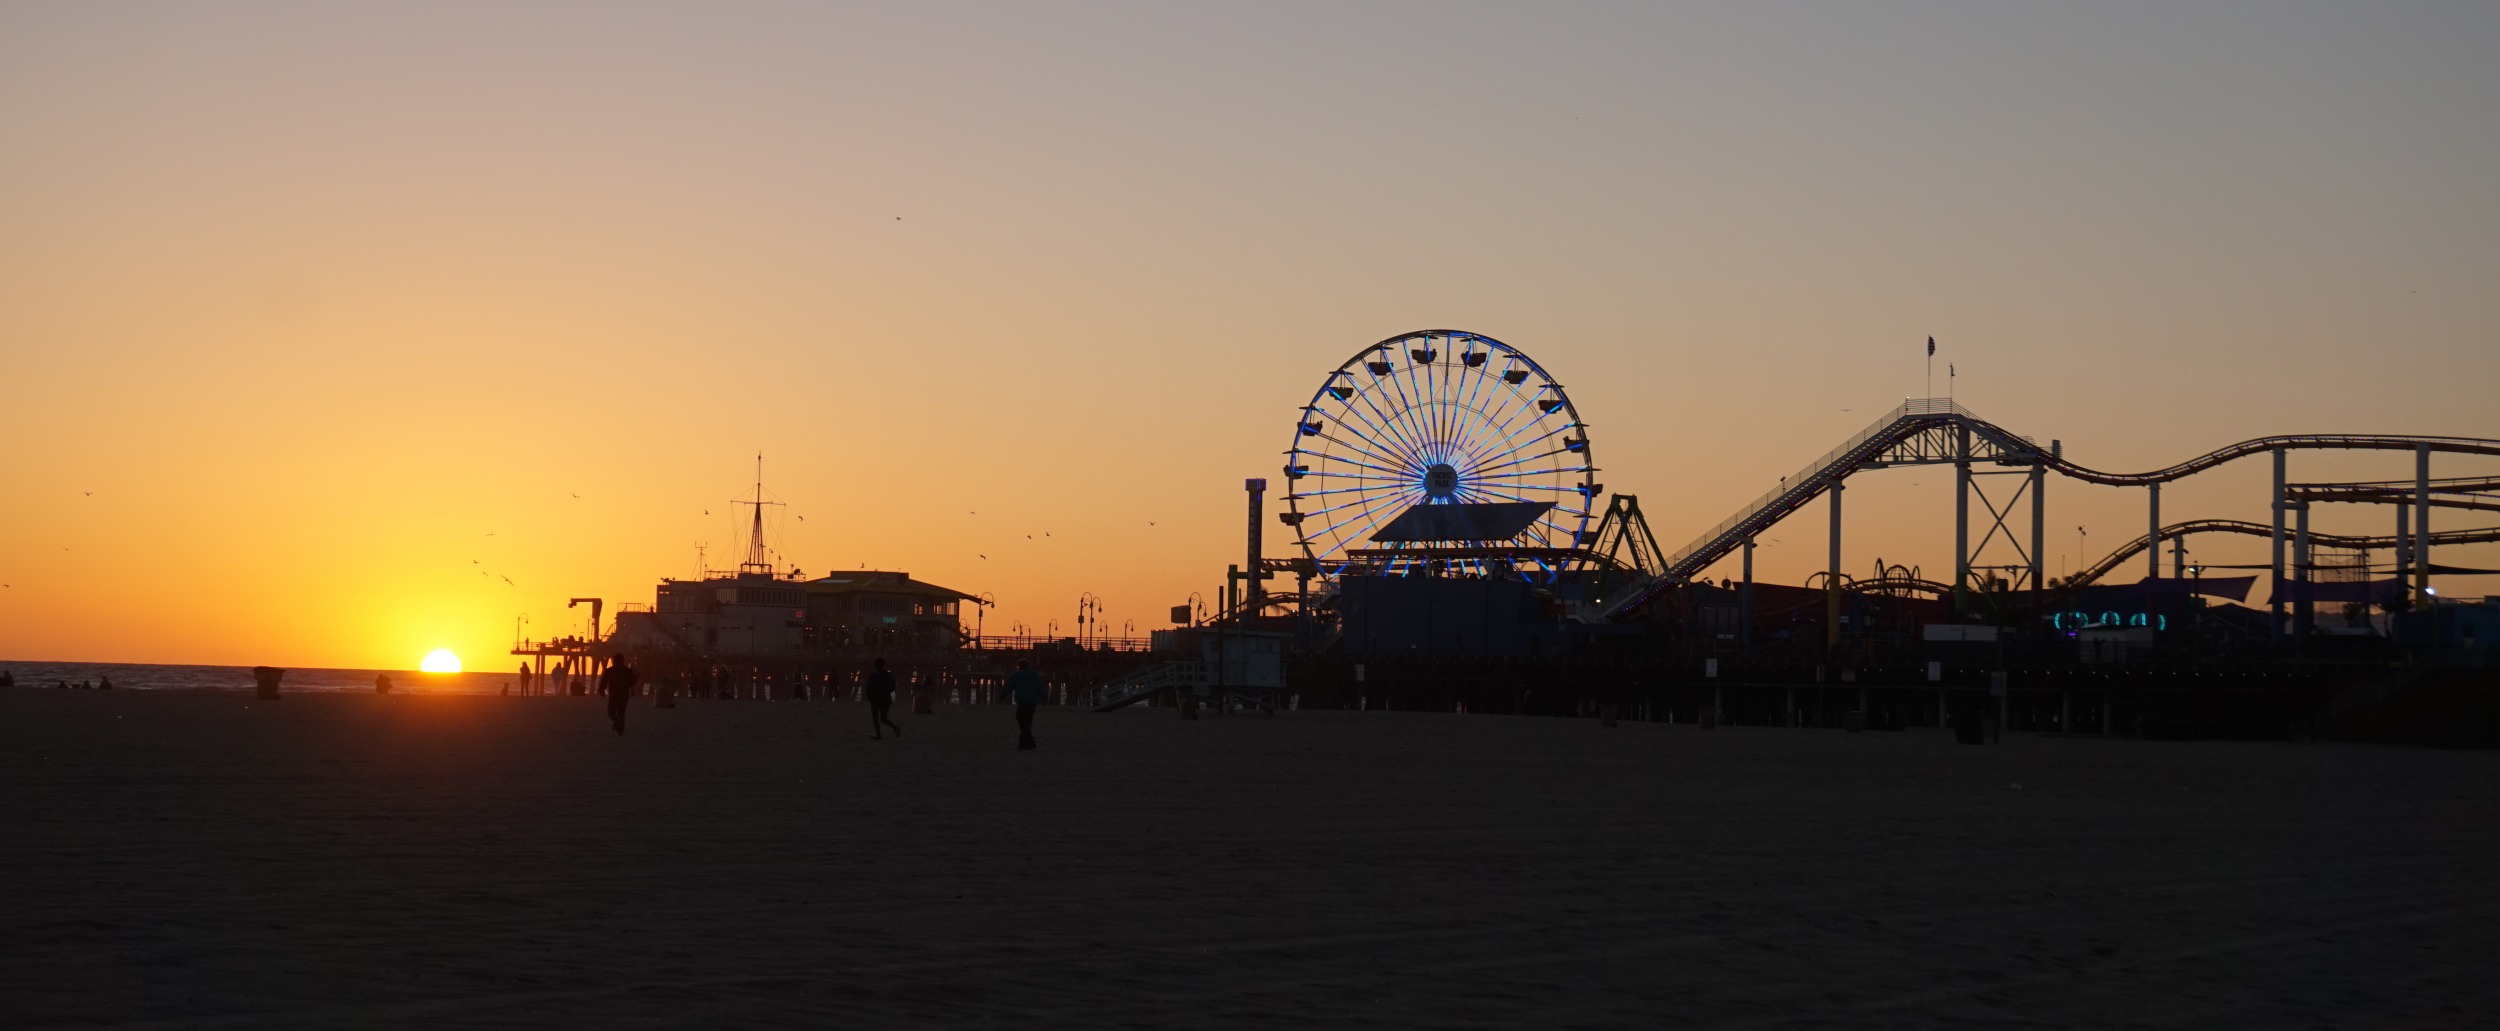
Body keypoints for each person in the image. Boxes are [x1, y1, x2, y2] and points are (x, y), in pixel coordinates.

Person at [1005, 660, 1045, 750]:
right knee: (1027, 722)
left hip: (1021, 702)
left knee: (1022, 721)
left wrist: (1002, 695)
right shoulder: (1034, 676)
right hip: (1032, 702)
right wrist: (1044, 697)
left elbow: (1008, 686)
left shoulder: (1016, 676)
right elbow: (1041, 687)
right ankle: (1025, 742)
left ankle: (1027, 742)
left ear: (1019, 667)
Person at [599, 653, 639, 736]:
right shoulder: (627, 671)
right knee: (621, 713)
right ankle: (619, 728)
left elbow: (603, 682)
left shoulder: (609, 670)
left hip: (614, 695)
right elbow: (632, 682)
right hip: (624, 694)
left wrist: (601, 690)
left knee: (611, 712)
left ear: (614, 660)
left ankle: (618, 727)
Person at [867, 658, 902, 739]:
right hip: (886, 699)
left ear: (876, 666)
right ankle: (894, 727)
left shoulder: (873, 676)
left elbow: (868, 688)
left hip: (876, 699)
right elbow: (892, 687)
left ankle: (879, 735)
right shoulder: (889, 675)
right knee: (883, 718)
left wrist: (870, 696)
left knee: (875, 718)